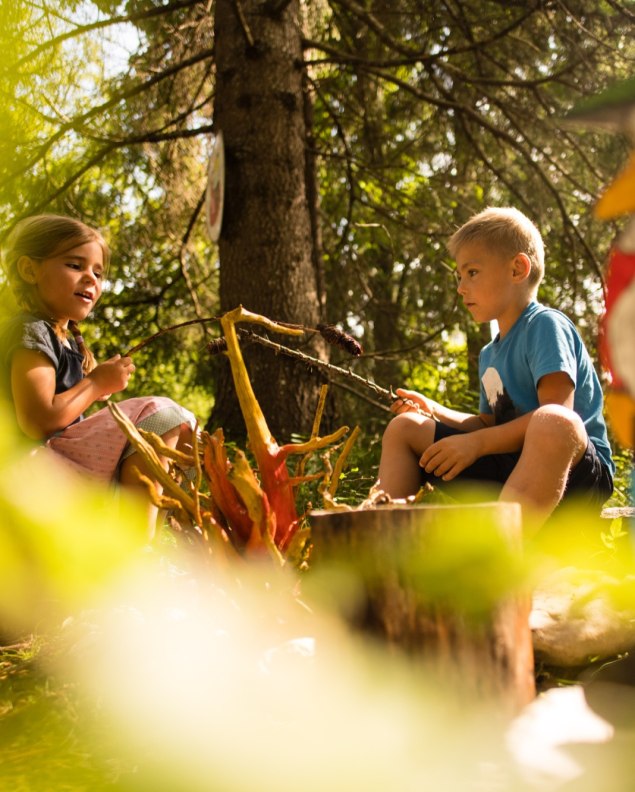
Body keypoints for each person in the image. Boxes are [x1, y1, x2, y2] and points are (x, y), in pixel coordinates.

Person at [377, 207, 614, 529]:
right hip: (512, 469)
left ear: (518, 269)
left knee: (553, 421)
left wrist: (477, 444)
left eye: (472, 273)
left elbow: (557, 413)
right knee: (405, 427)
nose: (461, 287)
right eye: (459, 276)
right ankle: (378, 549)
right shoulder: (491, 353)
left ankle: (503, 554)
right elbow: (487, 424)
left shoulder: (544, 325)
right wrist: (434, 409)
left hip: (575, 473)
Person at [0, 214, 196, 538]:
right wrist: (94, 384)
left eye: (98, 272)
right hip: (28, 471)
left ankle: (162, 536)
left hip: (52, 468)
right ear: (29, 270)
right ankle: (134, 549)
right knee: (160, 416)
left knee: (184, 433)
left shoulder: (59, 338)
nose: (91, 279)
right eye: (75, 266)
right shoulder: (31, 330)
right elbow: (37, 419)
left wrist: (90, 387)